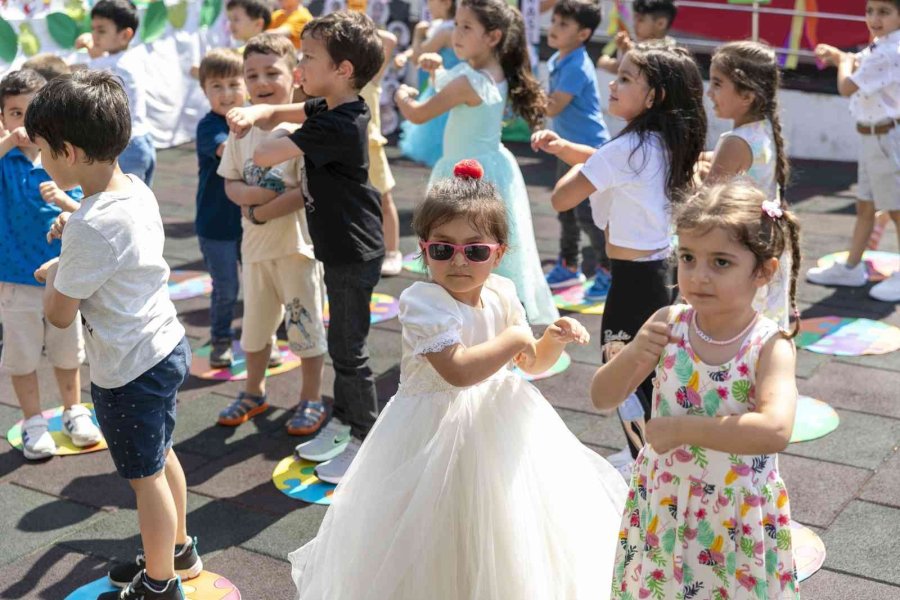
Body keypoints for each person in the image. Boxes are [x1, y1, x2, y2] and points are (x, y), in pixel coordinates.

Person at [288, 160, 627, 600]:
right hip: (431, 431)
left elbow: (529, 363)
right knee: (434, 529)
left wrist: (552, 342)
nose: (459, 261)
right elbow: (460, 369)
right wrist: (518, 336)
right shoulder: (423, 301)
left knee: (504, 524)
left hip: (502, 424)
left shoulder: (503, 292)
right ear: (424, 249)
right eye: (443, 249)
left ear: (499, 253)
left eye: (476, 250)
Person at [28, 70, 201, 600]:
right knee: (162, 453)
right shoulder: (135, 190)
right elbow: (116, 251)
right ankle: (177, 551)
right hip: (164, 346)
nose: (41, 161)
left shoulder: (91, 224)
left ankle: (159, 584)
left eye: (44, 150)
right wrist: (74, 233)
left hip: (128, 368)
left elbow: (59, 315)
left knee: (144, 477)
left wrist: (56, 271)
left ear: (71, 152)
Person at [593, 180, 802, 600]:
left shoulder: (768, 345)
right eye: (687, 257)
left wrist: (679, 429)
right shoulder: (670, 323)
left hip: (732, 516)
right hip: (666, 502)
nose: (698, 276)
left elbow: (774, 429)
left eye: (720, 262)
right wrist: (634, 352)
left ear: (763, 271)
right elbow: (602, 397)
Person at [226, 11, 386, 483]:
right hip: (340, 245)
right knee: (341, 344)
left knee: (349, 350)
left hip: (353, 251)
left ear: (344, 70)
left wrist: (270, 128)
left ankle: (363, 436)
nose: (300, 68)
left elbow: (264, 153)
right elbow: (284, 111)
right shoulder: (336, 107)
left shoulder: (338, 124)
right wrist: (261, 110)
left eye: (309, 58)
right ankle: (342, 420)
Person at [532, 44, 707, 472]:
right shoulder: (662, 142)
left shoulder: (624, 150)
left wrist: (586, 161)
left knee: (623, 370)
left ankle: (644, 462)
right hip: (661, 272)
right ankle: (655, 453)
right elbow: (610, 164)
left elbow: (562, 197)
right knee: (656, 371)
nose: (613, 83)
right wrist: (570, 150)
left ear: (654, 98)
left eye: (627, 78)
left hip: (631, 284)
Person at [395, 0, 559, 325]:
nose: (456, 34)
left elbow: (418, 113)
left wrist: (402, 95)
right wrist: (436, 70)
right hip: (491, 166)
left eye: (466, 27)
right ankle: (492, 322)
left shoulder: (470, 81)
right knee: (485, 251)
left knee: (458, 248)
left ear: (493, 36)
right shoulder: (486, 72)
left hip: (466, 174)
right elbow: (453, 86)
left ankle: (464, 323)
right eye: (456, 25)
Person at [215, 34, 328, 439]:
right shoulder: (240, 130)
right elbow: (229, 181)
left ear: (295, 76)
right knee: (255, 331)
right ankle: (253, 390)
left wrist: (260, 207)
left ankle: (311, 396)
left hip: (296, 250)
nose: (261, 81)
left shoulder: (302, 127)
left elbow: (304, 191)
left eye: (271, 72)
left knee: (305, 326)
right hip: (256, 251)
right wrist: (249, 203)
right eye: (252, 74)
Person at [0, 69, 98, 461]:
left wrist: (62, 199)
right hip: (14, 277)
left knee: (67, 349)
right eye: (13, 113)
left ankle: (74, 410)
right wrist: (9, 140)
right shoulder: (6, 160)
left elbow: (88, 209)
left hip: (63, 271)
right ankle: (33, 420)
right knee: (22, 355)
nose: (23, 123)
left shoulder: (64, 155)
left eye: (30, 113)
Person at [805, 0, 900, 302]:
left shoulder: (888, 51)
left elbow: (847, 86)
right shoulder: (882, 45)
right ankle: (851, 266)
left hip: (884, 140)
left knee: (897, 211)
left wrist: (842, 63)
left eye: (884, 12)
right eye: (870, 11)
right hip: (874, 138)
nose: (874, 18)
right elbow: (860, 60)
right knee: (866, 205)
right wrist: (840, 56)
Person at [702, 40, 795, 330]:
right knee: (762, 332)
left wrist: (692, 172)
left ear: (747, 96)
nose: (709, 92)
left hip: (739, 251)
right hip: (765, 245)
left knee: (733, 333)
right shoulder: (764, 129)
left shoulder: (735, 141)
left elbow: (706, 201)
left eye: (718, 83)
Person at [543, 0, 611, 297]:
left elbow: (554, 105)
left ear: (583, 34)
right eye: (555, 20)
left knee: (587, 214)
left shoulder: (577, 65)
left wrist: (520, 91)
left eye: (563, 24)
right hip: (566, 148)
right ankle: (570, 266)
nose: (554, 27)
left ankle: (608, 271)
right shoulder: (559, 58)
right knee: (566, 211)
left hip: (587, 150)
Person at [195, 49, 246, 369]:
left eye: (233, 84)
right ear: (204, 91)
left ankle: (259, 338)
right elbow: (225, 148)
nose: (226, 93)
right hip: (216, 225)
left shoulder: (256, 117)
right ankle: (221, 338)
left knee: (258, 286)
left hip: (252, 221)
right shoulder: (209, 125)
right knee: (227, 287)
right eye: (216, 86)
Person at [74, 0, 156, 186]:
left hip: (126, 146)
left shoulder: (113, 65)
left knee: (124, 202)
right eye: (93, 29)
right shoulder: (134, 56)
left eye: (101, 30)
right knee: (141, 201)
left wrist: (84, 51)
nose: (94, 36)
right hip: (143, 140)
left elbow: (75, 72)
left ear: (125, 35)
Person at [396, 0, 460, 167]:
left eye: (431, 2)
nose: (428, 7)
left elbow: (420, 55)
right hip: (445, 87)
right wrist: (405, 55)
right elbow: (419, 50)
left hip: (443, 89)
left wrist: (417, 34)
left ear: (446, 3)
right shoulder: (444, 27)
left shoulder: (446, 31)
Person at [360, 29, 404, 277]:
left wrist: (355, 25)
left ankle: (391, 251)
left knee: (384, 201)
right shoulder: (333, 77)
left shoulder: (369, 76)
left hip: (370, 151)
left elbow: (389, 39)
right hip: (342, 152)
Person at [597, 0, 677, 74]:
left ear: (661, 23)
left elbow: (630, 70)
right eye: (634, 18)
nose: (634, 24)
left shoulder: (668, 54)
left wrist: (605, 62)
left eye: (641, 20)